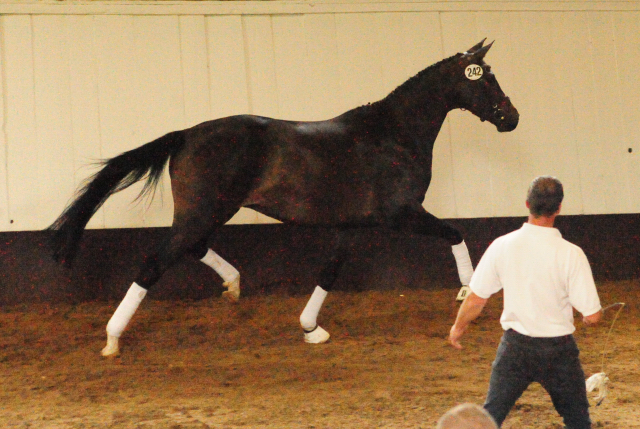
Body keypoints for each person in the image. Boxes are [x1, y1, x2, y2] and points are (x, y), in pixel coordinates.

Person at [448, 176, 602, 428]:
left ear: (527, 203)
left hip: (515, 349)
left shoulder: (502, 246)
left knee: (490, 417)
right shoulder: (572, 253)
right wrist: (588, 317)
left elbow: (476, 299)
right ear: (559, 208)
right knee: (577, 420)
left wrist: (458, 328)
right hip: (559, 352)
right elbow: (593, 316)